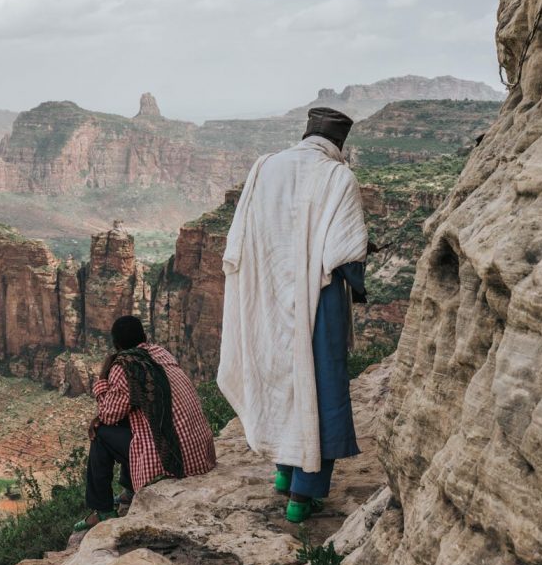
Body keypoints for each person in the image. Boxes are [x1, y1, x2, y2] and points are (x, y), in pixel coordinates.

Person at [217, 107, 371, 523]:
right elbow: (345, 252)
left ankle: (284, 472)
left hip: (267, 293)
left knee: (282, 377)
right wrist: (361, 274)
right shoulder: (338, 177)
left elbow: (239, 238)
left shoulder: (264, 167)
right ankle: (302, 497)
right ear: (339, 143)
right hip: (317, 301)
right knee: (320, 388)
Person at [76, 315, 217, 532]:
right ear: (144, 336)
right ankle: (130, 489)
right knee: (133, 419)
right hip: (200, 454)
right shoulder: (161, 352)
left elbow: (108, 414)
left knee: (102, 433)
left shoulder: (124, 367)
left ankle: (102, 510)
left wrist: (103, 377)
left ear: (117, 345)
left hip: (173, 460)